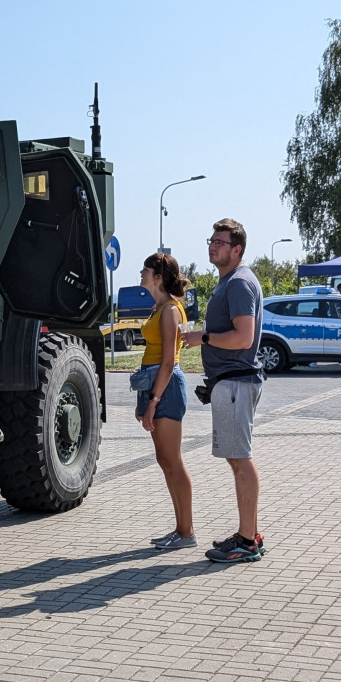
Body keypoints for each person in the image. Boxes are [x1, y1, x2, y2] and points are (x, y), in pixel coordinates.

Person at [182, 219, 265, 564]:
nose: (213, 246)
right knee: (237, 457)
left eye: (220, 242)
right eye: (211, 240)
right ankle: (248, 534)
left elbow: (243, 338)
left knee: (240, 458)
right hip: (230, 381)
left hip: (236, 380)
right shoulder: (230, 282)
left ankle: (248, 540)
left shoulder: (239, 284)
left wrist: (203, 337)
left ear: (237, 249)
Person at [136, 253, 195, 551]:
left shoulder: (171, 310)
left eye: (146, 269)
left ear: (158, 276)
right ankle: (180, 529)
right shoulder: (159, 306)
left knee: (173, 461)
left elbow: (170, 361)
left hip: (167, 387)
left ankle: (187, 533)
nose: (141, 273)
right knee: (165, 460)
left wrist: (153, 400)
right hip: (156, 385)